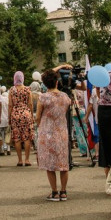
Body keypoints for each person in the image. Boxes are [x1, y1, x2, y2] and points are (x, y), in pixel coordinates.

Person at [34, 69, 72, 202]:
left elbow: (38, 116)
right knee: (63, 163)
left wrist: (40, 124)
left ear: (45, 84)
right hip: (61, 132)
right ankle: (64, 191)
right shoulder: (65, 97)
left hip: (47, 133)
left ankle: (54, 192)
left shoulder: (43, 97)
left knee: (49, 164)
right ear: (57, 82)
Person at [8, 71, 35, 167]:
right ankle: (27, 159)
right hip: (26, 114)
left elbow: (10, 105)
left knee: (17, 138)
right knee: (27, 137)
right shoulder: (27, 89)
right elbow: (30, 103)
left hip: (15, 114)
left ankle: (19, 160)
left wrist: (9, 117)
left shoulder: (12, 90)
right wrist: (31, 115)